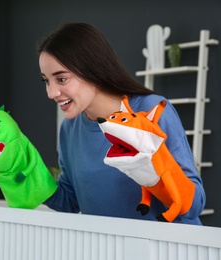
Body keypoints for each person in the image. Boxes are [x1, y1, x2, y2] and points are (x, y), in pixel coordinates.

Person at [37, 22, 205, 224]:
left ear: (92, 69)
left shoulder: (150, 111)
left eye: (61, 79)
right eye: (46, 80)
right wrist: (24, 173)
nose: (51, 93)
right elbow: (70, 201)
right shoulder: (69, 129)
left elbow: (195, 204)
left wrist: (155, 173)